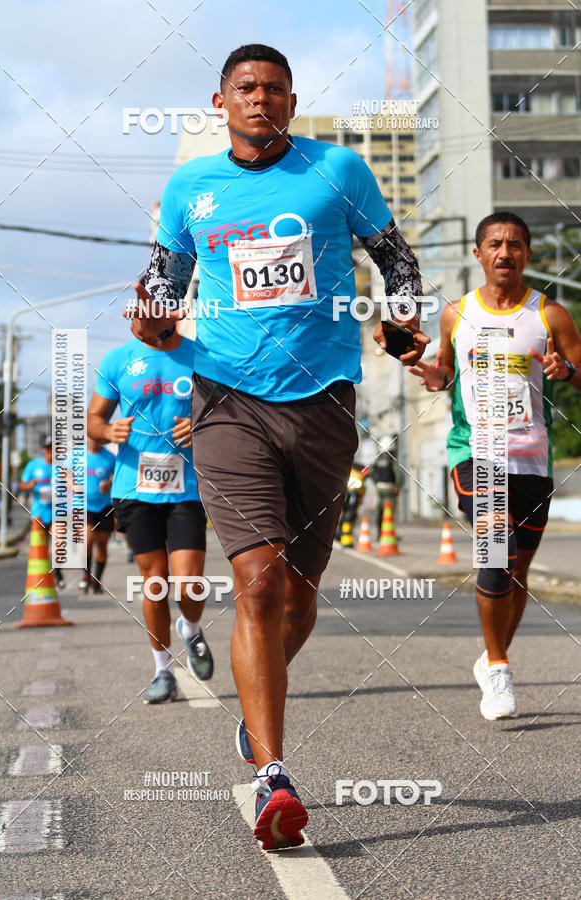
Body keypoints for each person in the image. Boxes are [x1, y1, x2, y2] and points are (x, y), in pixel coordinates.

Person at [128, 43, 427, 848]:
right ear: (220, 102)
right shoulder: (191, 188)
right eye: (246, 89)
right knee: (256, 582)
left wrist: (402, 325)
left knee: (299, 594)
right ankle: (273, 775)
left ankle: (257, 714)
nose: (260, 100)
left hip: (325, 400)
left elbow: (396, 257)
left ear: (292, 104)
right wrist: (153, 320)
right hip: (225, 397)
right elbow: (163, 281)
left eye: (275, 91)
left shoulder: (339, 171)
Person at [409, 211, 581, 721]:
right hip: (474, 450)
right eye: (495, 244)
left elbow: (580, 373)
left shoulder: (551, 315)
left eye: (515, 244)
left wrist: (565, 369)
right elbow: (444, 371)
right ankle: (501, 667)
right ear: (478, 254)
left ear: (528, 254)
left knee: (518, 569)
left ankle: (489, 656)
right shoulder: (455, 315)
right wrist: (435, 375)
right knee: (494, 548)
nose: (504, 253)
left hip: (532, 455)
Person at [87, 324, 214, 704]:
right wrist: (108, 432)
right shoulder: (118, 360)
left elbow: (231, 410)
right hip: (133, 488)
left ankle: (190, 629)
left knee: (189, 582)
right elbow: (93, 419)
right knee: (155, 582)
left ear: (169, 312)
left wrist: (201, 424)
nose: (133, 322)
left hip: (186, 487)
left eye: (143, 314)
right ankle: (163, 671)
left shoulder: (201, 357)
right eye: (132, 315)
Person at [19, 435, 65, 588]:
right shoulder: (33, 465)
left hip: (58, 512)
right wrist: (29, 486)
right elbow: (22, 485)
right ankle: (44, 576)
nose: (50, 451)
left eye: (53, 448)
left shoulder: (62, 466)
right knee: (42, 547)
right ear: (43, 449)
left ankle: (58, 573)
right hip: (39, 512)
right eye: (47, 448)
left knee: (58, 543)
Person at [77, 438, 116, 594]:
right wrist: (72, 484)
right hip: (84, 506)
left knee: (102, 544)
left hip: (104, 507)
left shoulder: (110, 457)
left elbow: (118, 475)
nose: (94, 441)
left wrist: (109, 483)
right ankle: (86, 575)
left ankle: (96, 581)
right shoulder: (77, 456)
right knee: (87, 539)